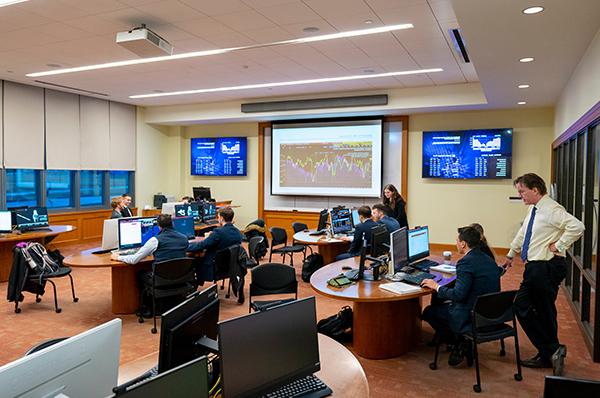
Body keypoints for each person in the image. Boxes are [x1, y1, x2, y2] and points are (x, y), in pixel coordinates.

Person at [504, 173, 584, 376]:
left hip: (546, 267)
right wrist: (511, 253)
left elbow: (577, 226)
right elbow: (524, 233)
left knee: (528, 307)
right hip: (536, 267)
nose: (520, 195)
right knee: (540, 310)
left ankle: (550, 350)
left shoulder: (552, 209)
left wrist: (559, 244)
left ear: (535, 190)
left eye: (522, 191)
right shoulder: (534, 209)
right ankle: (550, 351)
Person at [421, 226, 501, 366]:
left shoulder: (465, 262)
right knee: (441, 300)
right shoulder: (488, 259)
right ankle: (460, 341)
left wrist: (436, 286)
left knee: (429, 312)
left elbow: (458, 295)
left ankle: (459, 341)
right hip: (491, 314)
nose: (456, 243)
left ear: (463, 243)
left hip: (470, 315)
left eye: (457, 240)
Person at [187, 207, 243, 284]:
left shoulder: (218, 232)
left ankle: (193, 285)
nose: (218, 219)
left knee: (193, 260)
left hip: (214, 265)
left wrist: (186, 246)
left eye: (218, 217)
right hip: (230, 264)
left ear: (222, 218)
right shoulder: (238, 232)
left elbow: (202, 245)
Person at [111, 214, 189, 265]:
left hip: (161, 278)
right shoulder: (184, 238)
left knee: (140, 274)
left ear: (159, 226)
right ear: (173, 224)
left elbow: (134, 260)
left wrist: (117, 257)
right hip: (180, 277)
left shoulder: (155, 240)